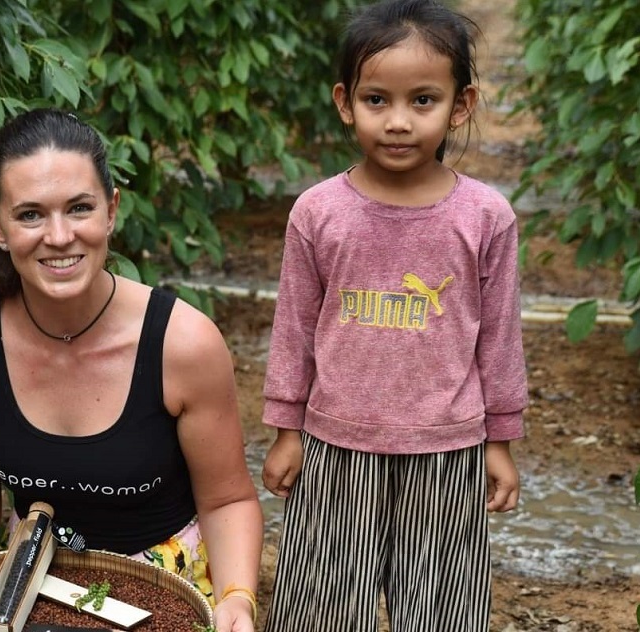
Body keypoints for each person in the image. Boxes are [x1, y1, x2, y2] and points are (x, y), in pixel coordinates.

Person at [0, 109, 263, 632]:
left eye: (79, 208)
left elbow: (227, 500)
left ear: (111, 211)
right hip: (27, 589)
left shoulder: (183, 343)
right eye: (30, 215)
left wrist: (237, 598)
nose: (60, 236)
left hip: (164, 596)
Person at [260, 0, 526, 630]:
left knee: (440, 608)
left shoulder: (484, 217)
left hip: (447, 449)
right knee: (321, 605)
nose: (398, 122)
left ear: (460, 105)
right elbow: (294, 328)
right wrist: (286, 429)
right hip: (334, 446)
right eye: (376, 100)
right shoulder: (318, 212)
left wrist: (501, 440)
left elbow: (499, 339)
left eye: (423, 100)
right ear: (345, 102)